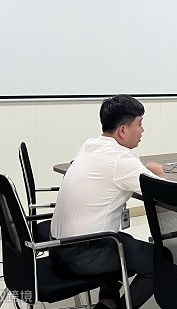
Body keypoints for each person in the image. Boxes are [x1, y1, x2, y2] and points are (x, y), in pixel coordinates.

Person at [50, 94, 166, 309]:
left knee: (122, 239)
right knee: (161, 262)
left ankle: (107, 301)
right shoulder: (121, 159)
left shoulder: (90, 145)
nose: (142, 130)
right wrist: (157, 173)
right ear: (123, 130)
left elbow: (118, 172)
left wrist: (144, 169)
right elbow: (165, 193)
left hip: (57, 246)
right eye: (139, 124)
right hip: (82, 256)